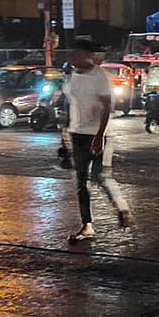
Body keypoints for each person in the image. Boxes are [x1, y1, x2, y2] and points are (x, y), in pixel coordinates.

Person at [64, 38, 115, 243]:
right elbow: (71, 105)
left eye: (77, 53)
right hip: (77, 133)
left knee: (100, 178)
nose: (73, 57)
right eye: (73, 53)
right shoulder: (73, 76)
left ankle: (120, 208)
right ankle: (87, 225)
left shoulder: (99, 76)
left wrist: (99, 136)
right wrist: (65, 132)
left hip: (94, 134)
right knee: (81, 181)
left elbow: (106, 106)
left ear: (87, 55)